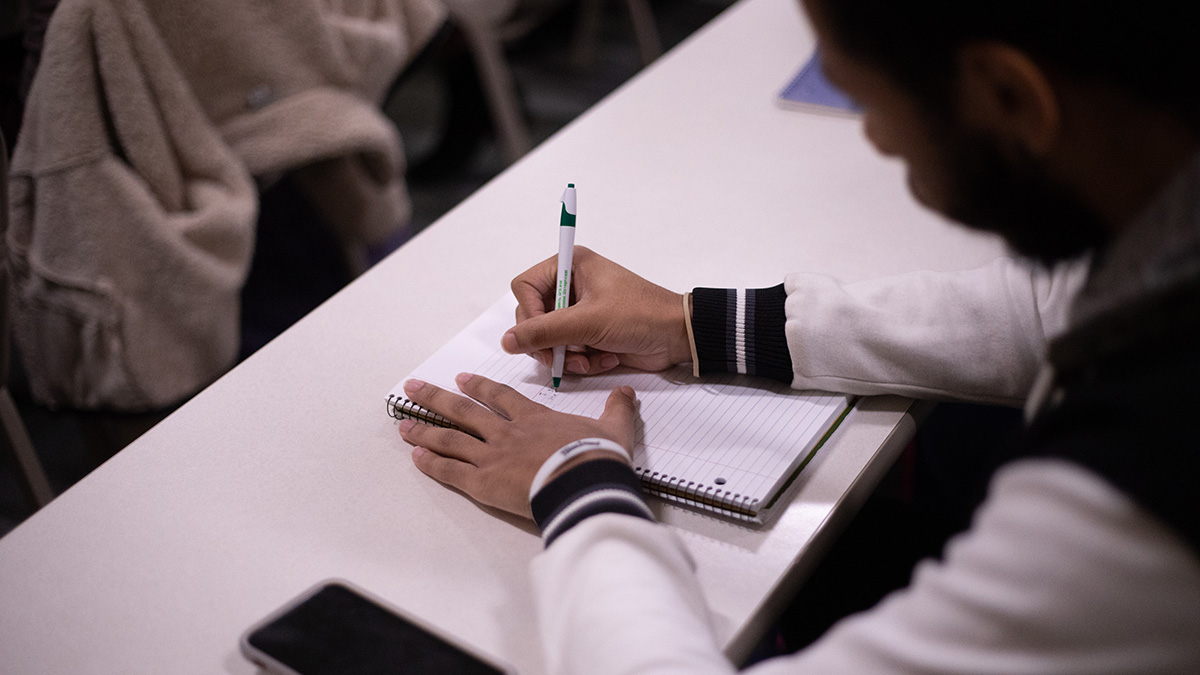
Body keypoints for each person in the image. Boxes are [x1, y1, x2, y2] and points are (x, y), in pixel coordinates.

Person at [396, 0, 1200, 671]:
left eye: (869, 104)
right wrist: (689, 323)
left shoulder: (1144, 479)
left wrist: (579, 486)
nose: (877, 140)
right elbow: (1040, 307)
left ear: (1010, 97)